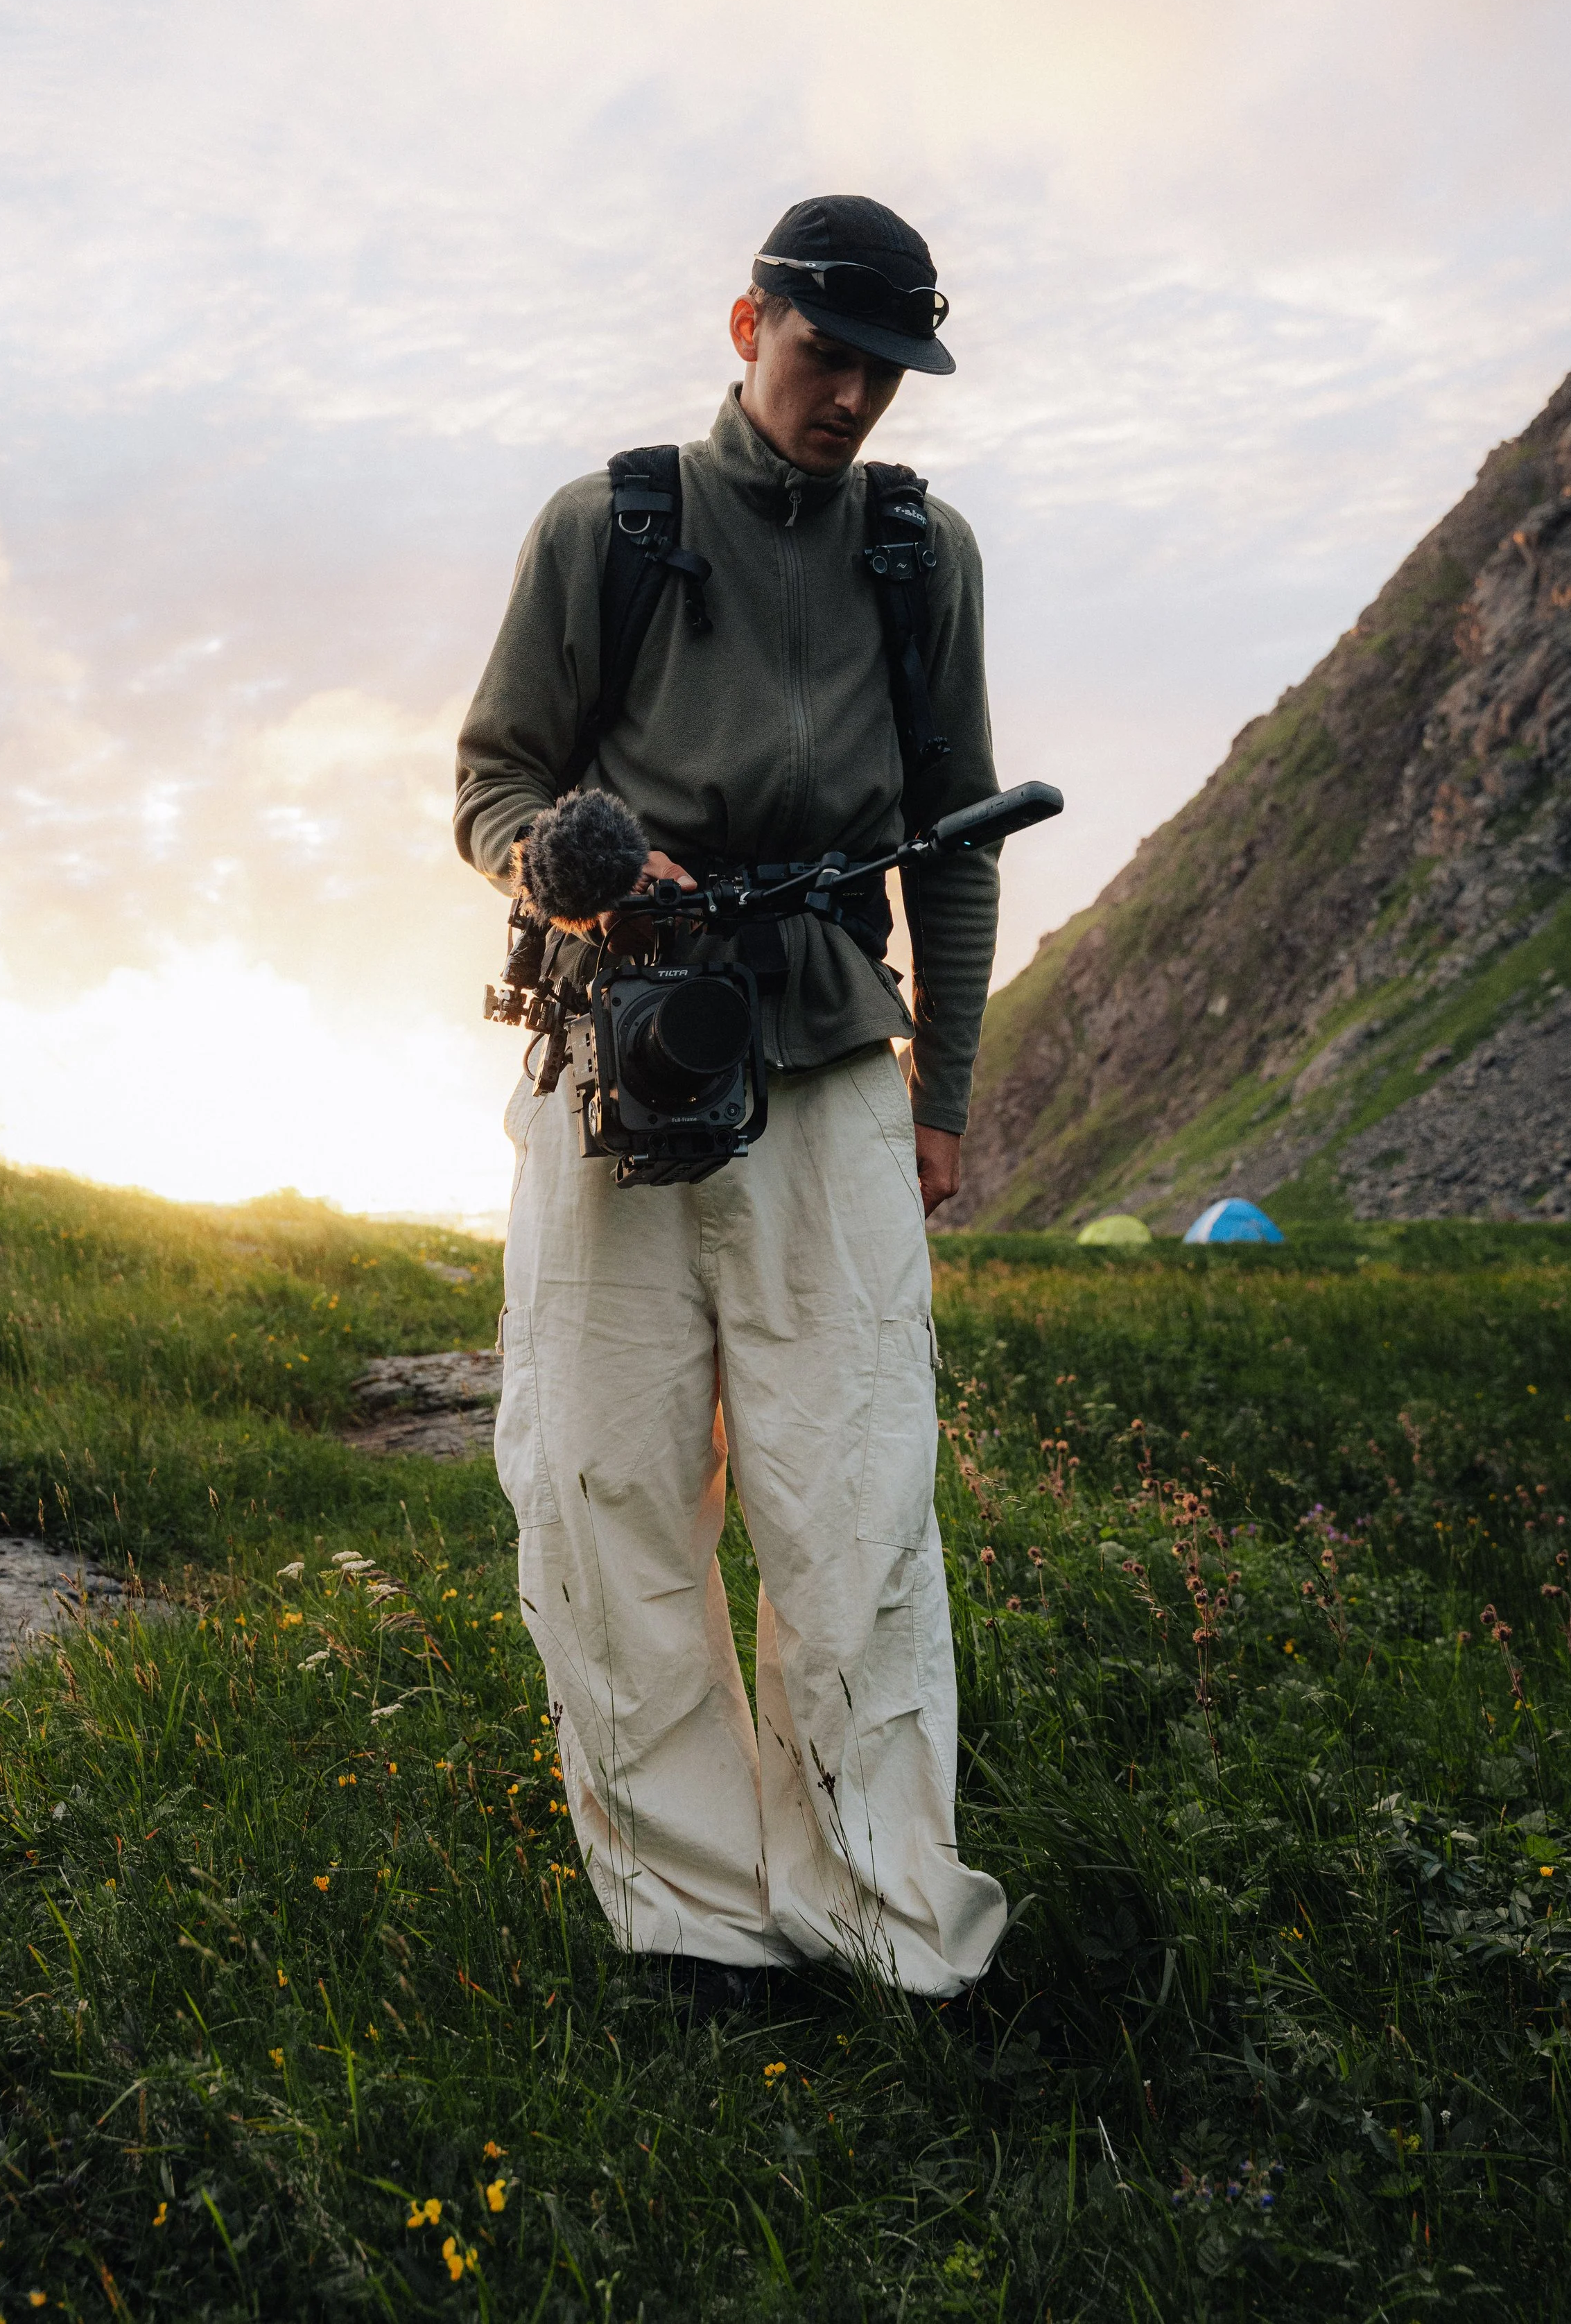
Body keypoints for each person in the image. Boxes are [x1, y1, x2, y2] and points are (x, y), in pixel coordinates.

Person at [454, 196, 1009, 2000]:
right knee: (603, 1467)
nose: (848, 397)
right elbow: (489, 783)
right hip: (614, 1043)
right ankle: (689, 1915)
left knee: (852, 1482)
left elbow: (959, 847)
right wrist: (567, 862)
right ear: (743, 322)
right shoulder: (603, 528)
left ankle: (874, 1901)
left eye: (880, 370)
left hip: (839, 1051)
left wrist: (946, 1093)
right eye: (819, 353)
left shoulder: (922, 559)